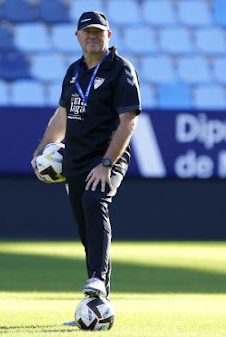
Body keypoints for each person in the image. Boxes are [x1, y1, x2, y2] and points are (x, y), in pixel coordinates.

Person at [31, 10, 141, 299]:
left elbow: (129, 119)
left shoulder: (121, 69)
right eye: (87, 31)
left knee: (95, 201)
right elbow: (63, 114)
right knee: (85, 228)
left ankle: (98, 279)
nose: (93, 36)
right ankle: (97, 301)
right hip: (75, 159)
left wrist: (106, 163)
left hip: (106, 157)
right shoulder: (73, 71)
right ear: (78, 36)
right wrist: (43, 148)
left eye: (98, 31)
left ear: (109, 35)